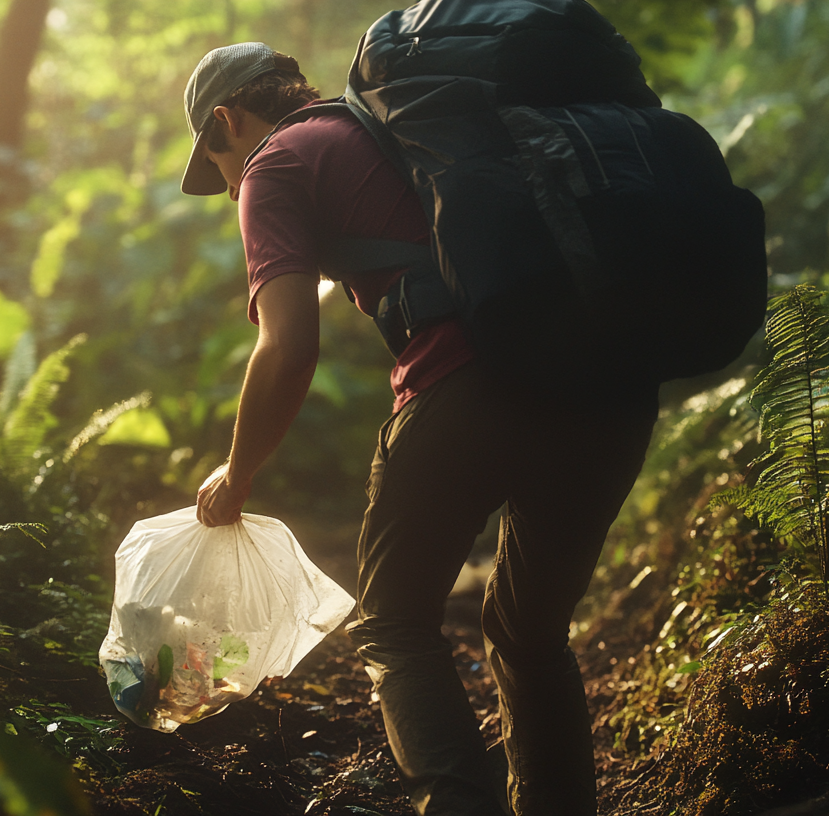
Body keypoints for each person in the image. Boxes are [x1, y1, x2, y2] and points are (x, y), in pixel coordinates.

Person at [184, 42, 659, 816]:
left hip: (471, 379)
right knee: (527, 629)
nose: (230, 184)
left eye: (218, 163)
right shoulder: (396, 126)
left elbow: (286, 346)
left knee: (395, 625)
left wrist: (236, 476)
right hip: (611, 380)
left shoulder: (273, 163)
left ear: (225, 120)